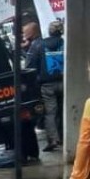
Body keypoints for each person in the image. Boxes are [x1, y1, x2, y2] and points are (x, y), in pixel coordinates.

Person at [26, 20, 65, 152]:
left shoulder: (39, 45)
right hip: (65, 81)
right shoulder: (64, 43)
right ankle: (66, 137)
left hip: (47, 85)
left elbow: (30, 66)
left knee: (50, 113)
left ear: (49, 31)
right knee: (64, 110)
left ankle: (53, 140)